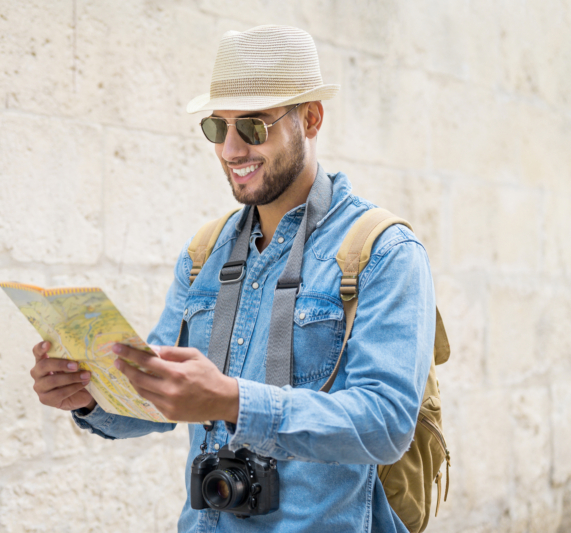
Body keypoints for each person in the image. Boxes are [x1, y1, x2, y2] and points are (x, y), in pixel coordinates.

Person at [30, 25, 434, 532]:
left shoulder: (385, 252)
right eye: (219, 128)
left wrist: (232, 400)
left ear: (311, 119)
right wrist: (90, 395)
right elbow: (159, 396)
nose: (230, 151)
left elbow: (386, 422)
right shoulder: (203, 254)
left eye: (255, 126)